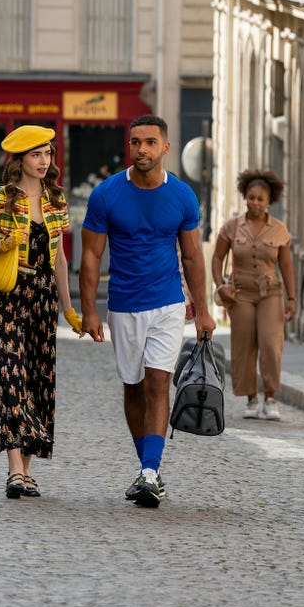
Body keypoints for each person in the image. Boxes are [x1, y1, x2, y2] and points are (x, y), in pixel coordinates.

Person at [80, 114, 216, 508]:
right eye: (136, 142)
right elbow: (91, 256)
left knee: (158, 384)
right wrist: (89, 311)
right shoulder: (106, 194)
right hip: (123, 304)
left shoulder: (182, 196)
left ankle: (150, 472)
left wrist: (203, 310)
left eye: (150, 142)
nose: (142, 149)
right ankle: (147, 467)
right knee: (134, 386)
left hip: (168, 303)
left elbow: (192, 255)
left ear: (165, 148)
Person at [0, 125, 82, 499]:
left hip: (45, 296)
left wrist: (69, 308)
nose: (44, 161)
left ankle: (28, 471)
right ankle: (14, 469)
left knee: (38, 378)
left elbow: (61, 259)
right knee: (11, 376)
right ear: (19, 159)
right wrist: (3, 242)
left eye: (48, 154)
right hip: (11, 295)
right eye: (36, 155)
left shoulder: (56, 200)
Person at [210, 170, 296, 421]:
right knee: (244, 347)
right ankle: (251, 398)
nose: (255, 203)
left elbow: (287, 267)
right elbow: (217, 258)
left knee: (271, 344)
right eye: (251, 198)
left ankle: (270, 397)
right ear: (245, 198)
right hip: (241, 295)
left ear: (269, 201)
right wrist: (219, 286)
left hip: (271, 293)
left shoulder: (279, 230)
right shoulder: (232, 226)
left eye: (260, 199)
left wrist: (292, 298)